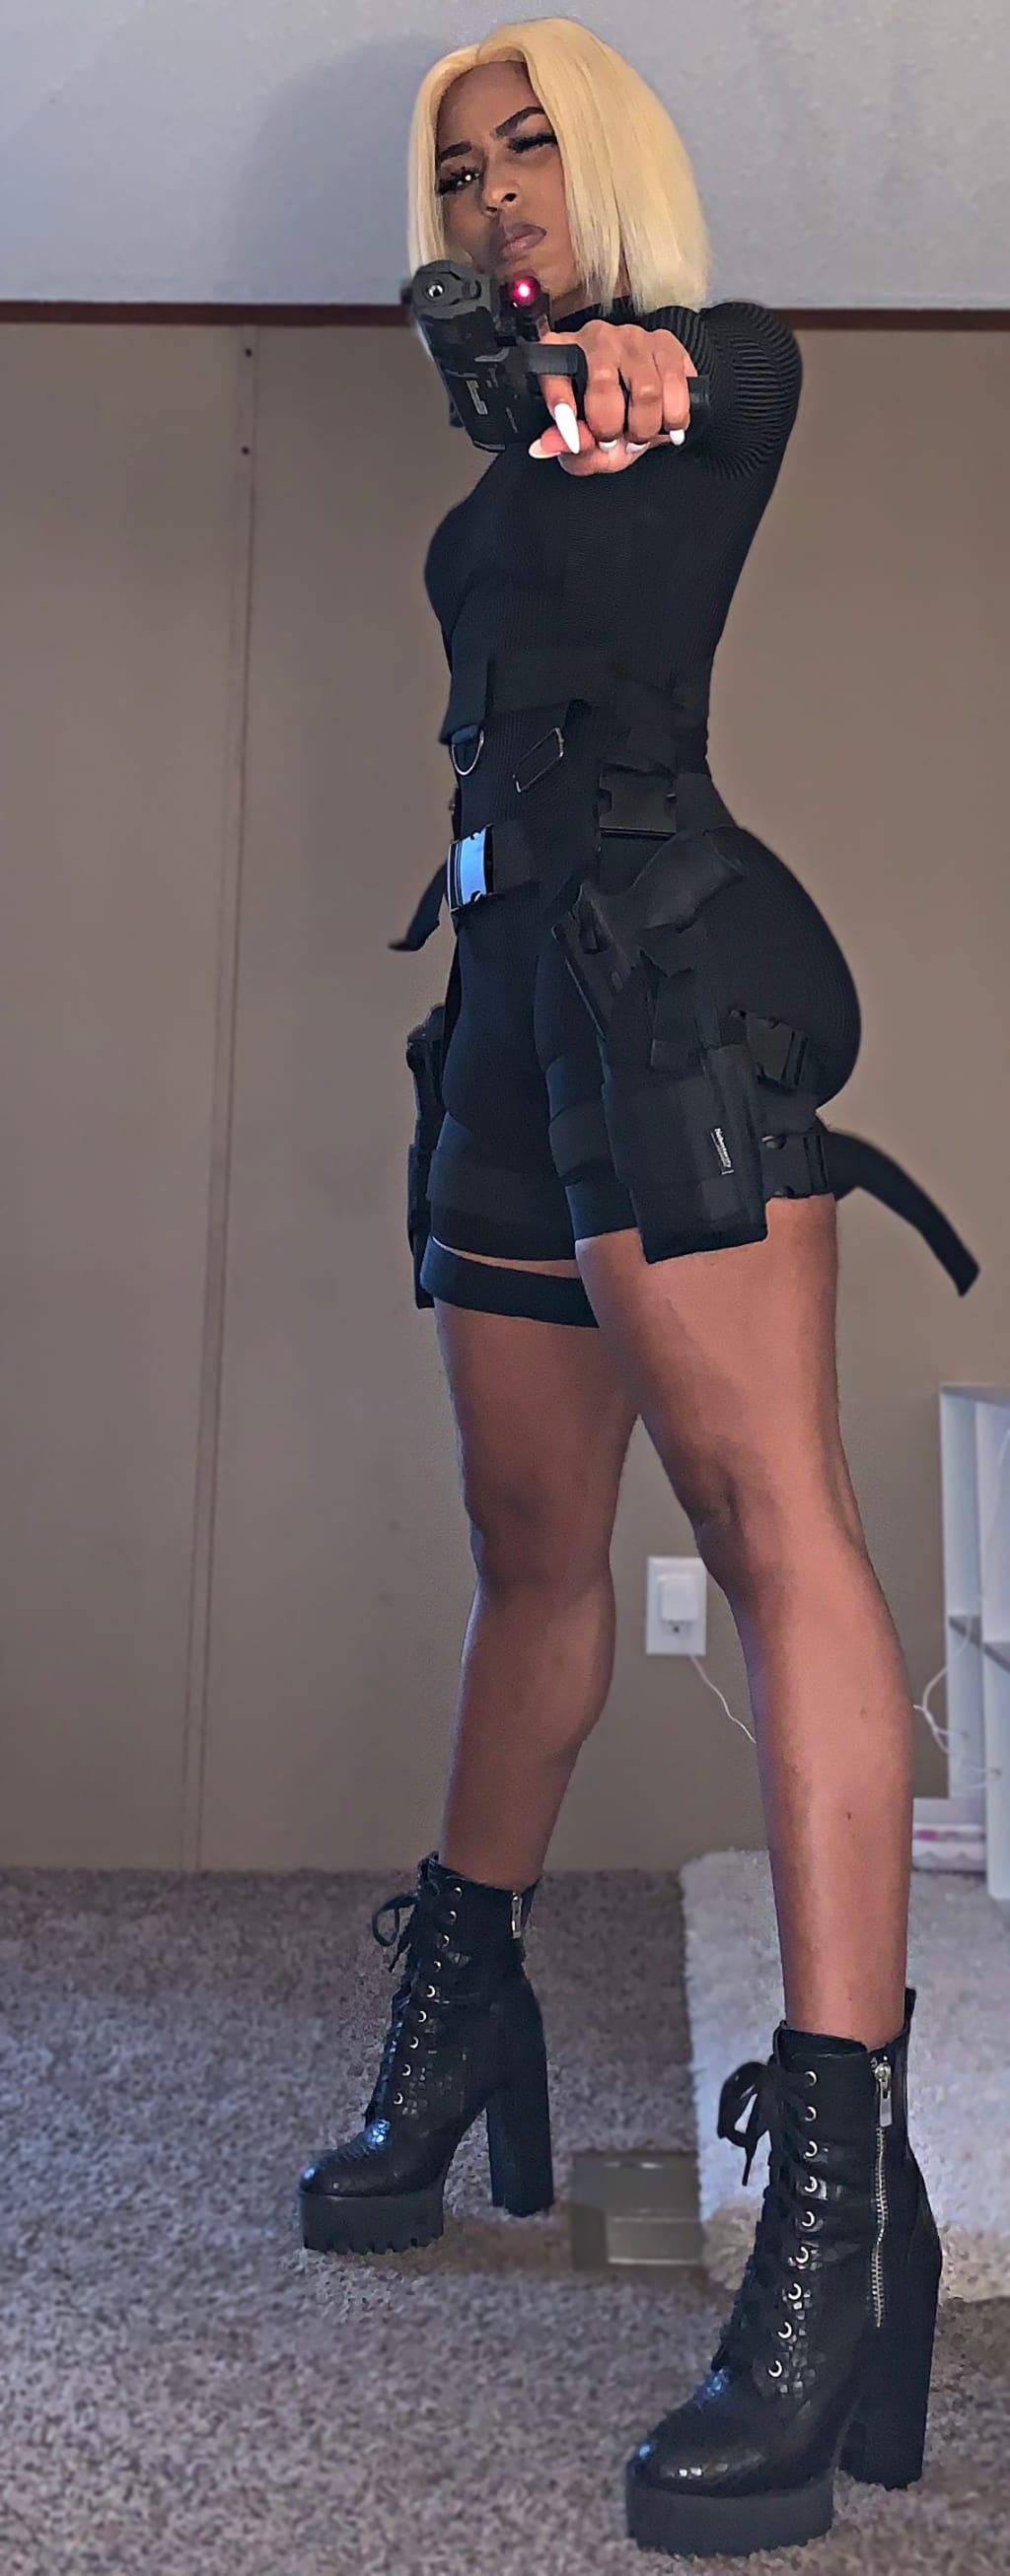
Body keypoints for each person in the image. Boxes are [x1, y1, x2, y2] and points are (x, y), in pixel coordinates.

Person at [299, 20, 953, 2559]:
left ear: (622, 168)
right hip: (502, 1006)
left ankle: (837, 2219)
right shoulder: (492, 447)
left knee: (777, 1530)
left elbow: (708, 376)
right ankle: (464, 2023)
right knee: (528, 1550)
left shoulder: (696, 381)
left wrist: (645, 364)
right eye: (463, 169)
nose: (497, 196)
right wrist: (523, 378)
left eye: (534, 146)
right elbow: (519, 420)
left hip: (671, 975)